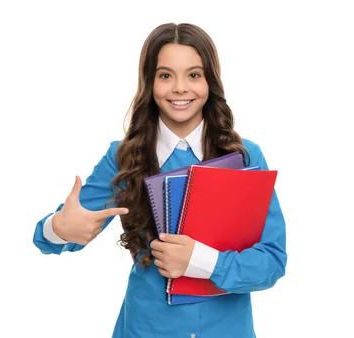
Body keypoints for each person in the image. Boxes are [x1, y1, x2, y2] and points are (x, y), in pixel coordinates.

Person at [32, 22, 287, 337]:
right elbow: (46, 237)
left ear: (210, 82)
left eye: (194, 74)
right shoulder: (122, 157)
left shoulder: (246, 156)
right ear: (149, 83)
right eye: (165, 75)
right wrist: (58, 228)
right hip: (146, 328)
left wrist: (201, 261)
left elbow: (272, 262)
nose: (180, 88)